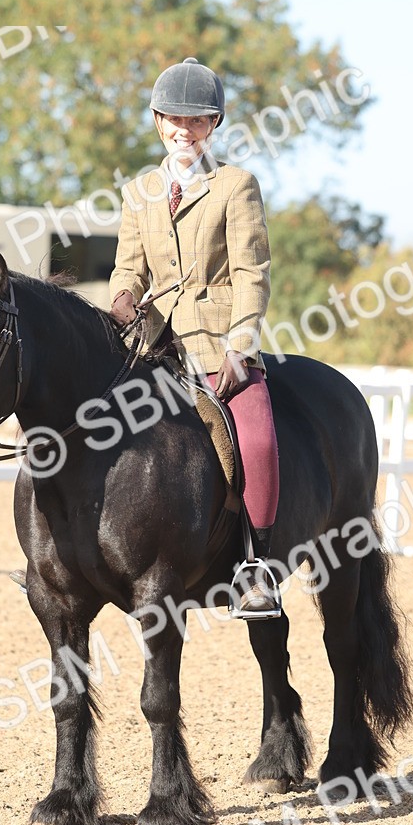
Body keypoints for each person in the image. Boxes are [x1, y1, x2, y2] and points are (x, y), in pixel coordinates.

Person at [109, 57, 280, 618]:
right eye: (174, 120)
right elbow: (129, 269)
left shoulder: (235, 185)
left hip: (218, 342)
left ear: (214, 125)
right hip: (154, 343)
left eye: (198, 121)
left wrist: (240, 346)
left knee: (254, 439)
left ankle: (255, 566)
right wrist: (121, 301)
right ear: (158, 122)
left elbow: (253, 273)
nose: (185, 130)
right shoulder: (139, 191)